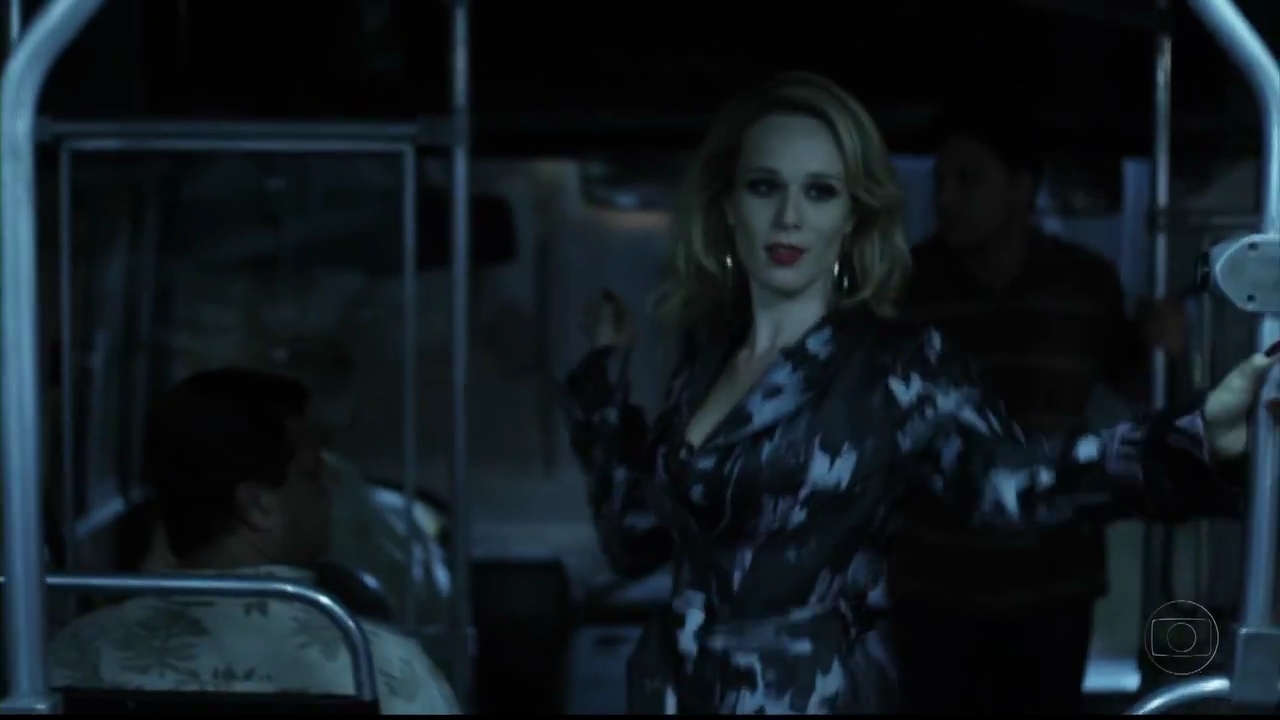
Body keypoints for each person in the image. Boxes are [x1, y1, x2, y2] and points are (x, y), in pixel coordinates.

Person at [561, 71, 1275, 714]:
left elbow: (1025, 481)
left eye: (819, 191)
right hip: (672, 691)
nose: (788, 217)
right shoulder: (706, 358)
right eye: (764, 187)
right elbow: (634, 537)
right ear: (726, 205)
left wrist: (1197, 437)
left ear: (852, 216)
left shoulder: (893, 365)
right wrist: (602, 382)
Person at [891, 106, 1188, 714]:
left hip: (1053, 581)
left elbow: (1137, 396)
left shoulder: (1084, 284)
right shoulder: (909, 286)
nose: (946, 198)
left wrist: (1168, 350)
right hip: (933, 582)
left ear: (1021, 187)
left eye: (968, 179)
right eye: (940, 181)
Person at [48, 367, 460, 715]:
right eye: (312, 475)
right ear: (257, 506)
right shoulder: (379, 667)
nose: (330, 489)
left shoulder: (77, 655)